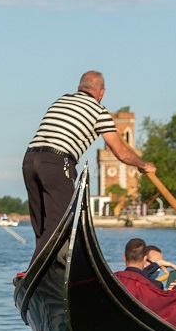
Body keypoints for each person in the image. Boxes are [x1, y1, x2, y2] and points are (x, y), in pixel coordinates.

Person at [23, 70, 154, 246]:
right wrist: (143, 164)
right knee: (61, 224)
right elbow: (121, 152)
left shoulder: (61, 101)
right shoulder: (99, 111)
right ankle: (37, 271)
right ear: (102, 93)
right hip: (56, 162)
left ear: (79, 87)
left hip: (30, 160)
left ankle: (45, 270)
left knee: (42, 225)